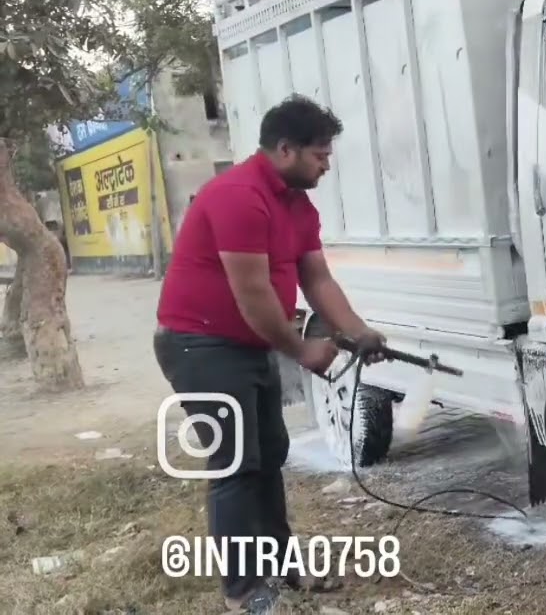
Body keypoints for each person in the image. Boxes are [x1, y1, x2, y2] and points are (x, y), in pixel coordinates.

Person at [153, 94, 386, 612]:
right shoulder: (238, 196)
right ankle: (244, 591)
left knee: (269, 457)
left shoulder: (296, 204)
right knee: (236, 463)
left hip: (248, 342)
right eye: (319, 154)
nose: (327, 164)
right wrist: (303, 349)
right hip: (201, 343)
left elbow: (316, 277)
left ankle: (280, 569)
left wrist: (357, 331)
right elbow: (252, 293)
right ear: (285, 149)